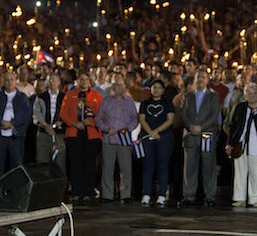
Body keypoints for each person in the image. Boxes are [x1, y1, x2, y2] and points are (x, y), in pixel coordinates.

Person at [226, 83, 257, 207]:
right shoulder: (240, 108)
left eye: (254, 93)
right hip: (240, 145)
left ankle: (256, 199)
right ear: (245, 95)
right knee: (240, 172)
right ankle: (239, 198)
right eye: (249, 93)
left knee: (256, 173)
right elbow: (233, 127)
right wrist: (229, 144)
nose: (251, 96)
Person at [60, 71, 103, 204]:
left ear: (90, 82)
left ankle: (88, 191)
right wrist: (74, 123)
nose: (84, 82)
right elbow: (63, 113)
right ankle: (76, 191)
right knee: (75, 163)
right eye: (81, 79)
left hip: (91, 134)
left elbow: (102, 114)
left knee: (89, 163)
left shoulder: (96, 96)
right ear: (77, 81)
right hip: (74, 133)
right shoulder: (70, 94)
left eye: (86, 79)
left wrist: (89, 122)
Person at [95, 73, 137, 204]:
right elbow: (98, 118)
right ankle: (107, 195)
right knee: (107, 168)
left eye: (120, 85)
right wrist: (106, 128)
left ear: (125, 86)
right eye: (116, 85)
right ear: (112, 86)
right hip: (109, 139)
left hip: (124, 140)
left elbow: (134, 119)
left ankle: (125, 194)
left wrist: (127, 129)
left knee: (126, 168)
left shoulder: (129, 101)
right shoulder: (106, 100)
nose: (118, 87)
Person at [181, 69, 221, 206]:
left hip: (206, 136)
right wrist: (190, 126)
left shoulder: (214, 96)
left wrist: (201, 127)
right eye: (198, 77)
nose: (200, 80)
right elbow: (183, 114)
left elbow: (213, 116)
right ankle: (189, 196)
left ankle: (210, 196)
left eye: (203, 78)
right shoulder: (188, 96)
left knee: (209, 168)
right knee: (189, 168)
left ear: (208, 80)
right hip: (190, 136)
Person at [138, 79, 175, 207]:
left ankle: (162, 194)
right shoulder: (145, 103)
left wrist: (157, 131)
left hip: (164, 137)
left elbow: (170, 120)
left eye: (159, 87)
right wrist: (150, 132)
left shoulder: (167, 103)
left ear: (163, 90)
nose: (156, 90)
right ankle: (146, 194)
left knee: (162, 165)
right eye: (154, 87)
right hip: (148, 137)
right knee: (147, 165)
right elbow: (141, 119)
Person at [0, 71, 32, 180]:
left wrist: (13, 123)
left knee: (16, 166)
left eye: (12, 79)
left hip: (16, 136)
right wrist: (1, 122)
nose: (9, 82)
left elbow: (26, 115)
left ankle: (16, 192)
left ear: (15, 81)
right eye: (7, 80)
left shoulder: (22, 97)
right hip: (0, 135)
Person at [33, 73, 67, 173]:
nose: (52, 83)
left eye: (55, 80)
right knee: (42, 161)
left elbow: (68, 113)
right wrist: (46, 125)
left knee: (60, 162)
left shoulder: (64, 97)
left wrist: (60, 122)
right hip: (43, 133)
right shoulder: (41, 97)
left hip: (59, 134)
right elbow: (37, 114)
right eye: (50, 80)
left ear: (59, 82)